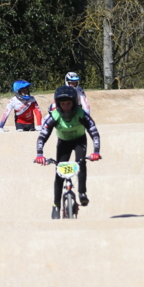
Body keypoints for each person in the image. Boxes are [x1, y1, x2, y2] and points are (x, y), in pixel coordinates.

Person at [34, 84, 101, 218]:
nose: (66, 107)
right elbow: (42, 136)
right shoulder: (54, 116)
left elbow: (94, 132)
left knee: (81, 162)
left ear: (74, 103)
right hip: (63, 143)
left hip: (79, 141)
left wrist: (96, 152)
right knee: (59, 173)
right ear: (58, 104)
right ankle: (56, 205)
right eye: (63, 104)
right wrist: (39, 154)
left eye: (69, 103)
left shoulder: (81, 114)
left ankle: (82, 192)